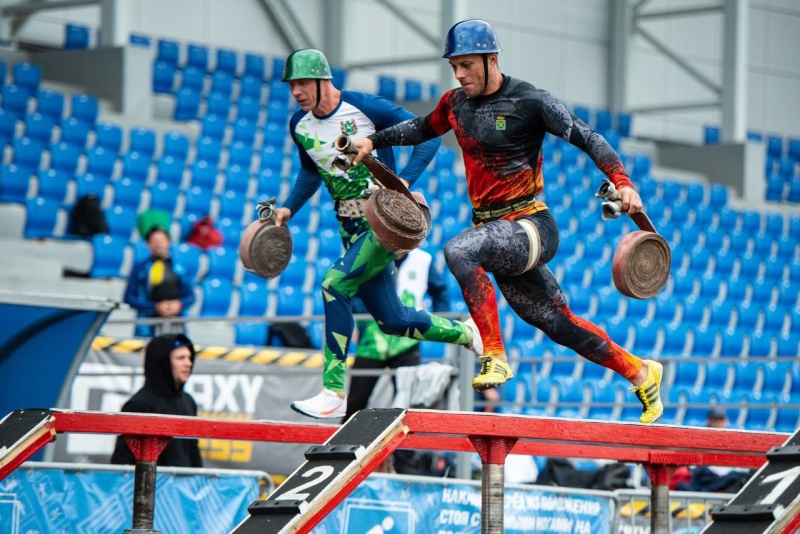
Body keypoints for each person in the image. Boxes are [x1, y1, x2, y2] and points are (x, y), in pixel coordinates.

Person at [351, 19, 664, 423]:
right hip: (495, 234)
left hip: (532, 224)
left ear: (492, 59)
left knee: (459, 250)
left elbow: (589, 138)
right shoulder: (454, 104)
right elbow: (420, 128)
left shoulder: (530, 101)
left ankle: (494, 355)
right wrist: (373, 141)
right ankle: (640, 373)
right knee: (559, 325)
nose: (459, 74)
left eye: (466, 65)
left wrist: (622, 182)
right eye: (454, 66)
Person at [272, 48, 481, 419]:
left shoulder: (365, 107)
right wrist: (289, 207)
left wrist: (404, 182)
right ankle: (466, 333)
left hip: (383, 223)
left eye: (303, 83)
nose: (296, 92)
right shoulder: (298, 125)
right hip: (349, 227)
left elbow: (430, 136)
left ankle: (333, 390)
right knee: (392, 320)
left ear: (323, 81)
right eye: (292, 85)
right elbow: (310, 171)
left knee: (334, 284)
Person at [344, 247, 451, 422]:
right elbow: (351, 291)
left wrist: (436, 321)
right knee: (356, 400)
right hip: (372, 340)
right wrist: (364, 317)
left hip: (408, 341)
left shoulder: (423, 259)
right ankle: (345, 438)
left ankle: (404, 441)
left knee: (407, 404)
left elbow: (440, 291)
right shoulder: (368, 254)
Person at [110, 333, 202, 467]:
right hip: (152, 480)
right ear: (163, 362)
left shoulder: (188, 401)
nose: (188, 363)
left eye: (190, 357)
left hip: (185, 480)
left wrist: (199, 479)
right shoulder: (140, 404)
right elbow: (122, 461)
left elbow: (193, 451)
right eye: (181, 358)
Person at [124, 225, 196, 337]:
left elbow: (191, 296)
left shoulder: (180, 268)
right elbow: (129, 297)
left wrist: (179, 304)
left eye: (162, 240)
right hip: (147, 325)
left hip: (175, 324)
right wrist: (154, 307)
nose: (158, 243)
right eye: (154, 240)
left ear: (168, 242)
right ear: (148, 244)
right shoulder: (140, 269)